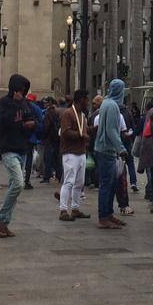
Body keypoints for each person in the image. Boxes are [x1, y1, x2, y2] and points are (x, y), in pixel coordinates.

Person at [0, 74, 37, 237]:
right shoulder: (4, 103)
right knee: (19, 184)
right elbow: (3, 122)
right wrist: (16, 110)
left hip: (22, 148)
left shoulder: (25, 103)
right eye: (19, 90)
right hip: (8, 149)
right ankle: (0, 218)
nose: (21, 93)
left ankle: (3, 223)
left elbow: (32, 118)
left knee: (14, 187)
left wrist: (31, 124)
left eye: (23, 91)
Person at [94, 80, 127, 229]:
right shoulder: (113, 106)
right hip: (107, 150)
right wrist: (121, 148)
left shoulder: (106, 103)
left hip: (102, 148)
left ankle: (108, 213)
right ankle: (103, 216)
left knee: (110, 184)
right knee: (107, 184)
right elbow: (112, 130)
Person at [58, 90, 92, 221]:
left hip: (81, 152)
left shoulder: (81, 115)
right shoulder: (68, 113)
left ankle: (75, 208)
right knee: (69, 182)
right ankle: (63, 210)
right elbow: (65, 132)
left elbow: (84, 129)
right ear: (81, 100)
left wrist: (92, 129)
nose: (88, 103)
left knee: (79, 182)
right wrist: (81, 135)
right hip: (70, 153)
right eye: (87, 100)